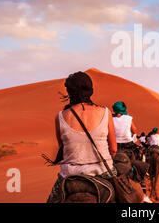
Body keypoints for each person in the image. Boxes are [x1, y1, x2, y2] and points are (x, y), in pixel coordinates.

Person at [46, 72, 117, 203]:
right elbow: (113, 149)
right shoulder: (106, 112)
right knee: (126, 196)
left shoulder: (60, 116)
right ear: (90, 90)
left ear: (69, 91)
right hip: (102, 172)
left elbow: (62, 148)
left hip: (69, 175)